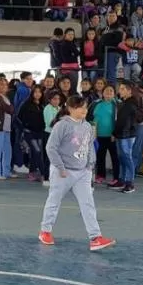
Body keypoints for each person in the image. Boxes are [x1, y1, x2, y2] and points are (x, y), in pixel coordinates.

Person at [38, 95, 115, 251]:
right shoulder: (62, 126)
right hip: (63, 172)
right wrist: (61, 167)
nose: (85, 111)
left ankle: (95, 237)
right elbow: (50, 148)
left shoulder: (87, 126)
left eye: (86, 107)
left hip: (82, 173)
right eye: (81, 108)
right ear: (71, 108)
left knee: (88, 204)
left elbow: (89, 147)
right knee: (54, 201)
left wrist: (89, 166)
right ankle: (45, 231)